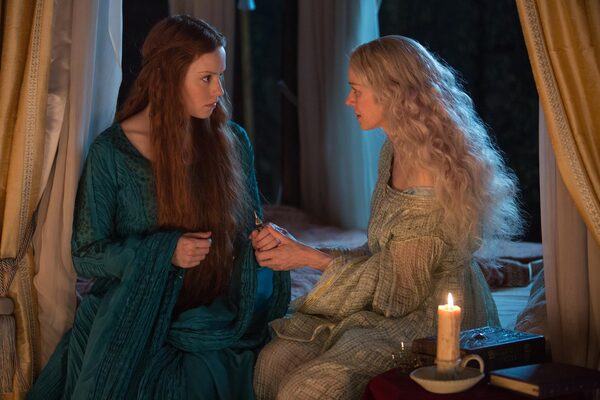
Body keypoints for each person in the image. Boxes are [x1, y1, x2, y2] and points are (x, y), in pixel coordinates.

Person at [28, 15, 290, 400]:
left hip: (211, 316)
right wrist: (166, 252)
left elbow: (249, 227)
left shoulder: (232, 141)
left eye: (220, 76)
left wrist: (266, 240)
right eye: (206, 78)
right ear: (169, 77)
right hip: (133, 311)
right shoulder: (112, 153)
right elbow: (86, 254)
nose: (219, 90)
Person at [251, 35, 522, 399]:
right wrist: (300, 248)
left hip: (431, 316)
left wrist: (307, 257)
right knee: (275, 359)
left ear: (391, 93)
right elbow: (382, 249)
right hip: (393, 297)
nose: (348, 100)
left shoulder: (428, 171)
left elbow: (402, 290)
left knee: (310, 387)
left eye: (356, 90)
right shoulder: (393, 149)